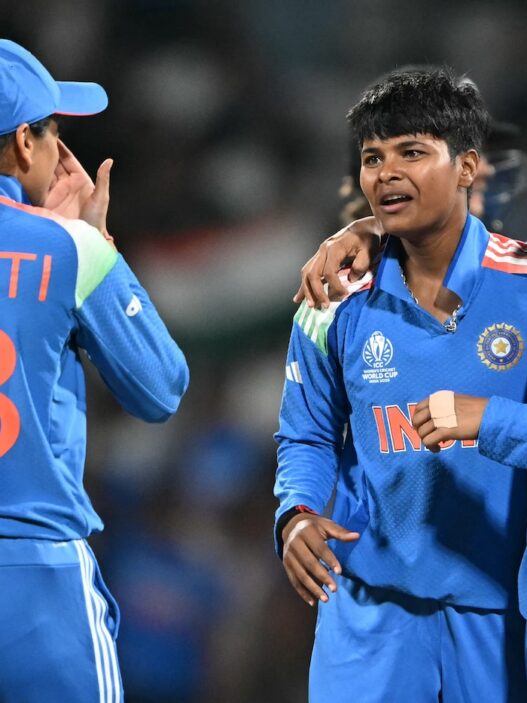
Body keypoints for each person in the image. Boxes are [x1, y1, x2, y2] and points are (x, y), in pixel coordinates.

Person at [274, 66, 527, 701]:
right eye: (373, 158)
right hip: (367, 612)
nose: (387, 172)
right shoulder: (332, 298)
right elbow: (305, 436)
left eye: (411, 152)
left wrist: (490, 419)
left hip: (499, 615)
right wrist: (296, 515)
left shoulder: (522, 287)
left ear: (466, 167)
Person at [0, 39, 189, 702]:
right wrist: (96, 246)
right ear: (23, 143)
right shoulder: (70, 249)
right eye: (53, 130)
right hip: (35, 581)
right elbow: (160, 387)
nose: (62, 150)